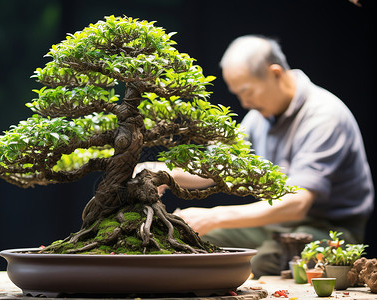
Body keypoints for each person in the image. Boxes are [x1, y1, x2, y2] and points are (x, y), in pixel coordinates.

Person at [135, 35, 374, 278]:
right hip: (275, 225)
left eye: (247, 91)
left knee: (260, 261)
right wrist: (161, 172)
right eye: (237, 94)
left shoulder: (324, 116)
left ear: (275, 73)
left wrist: (214, 216)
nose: (245, 102)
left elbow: (298, 204)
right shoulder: (258, 118)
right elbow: (216, 168)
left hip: (330, 229)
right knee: (187, 237)